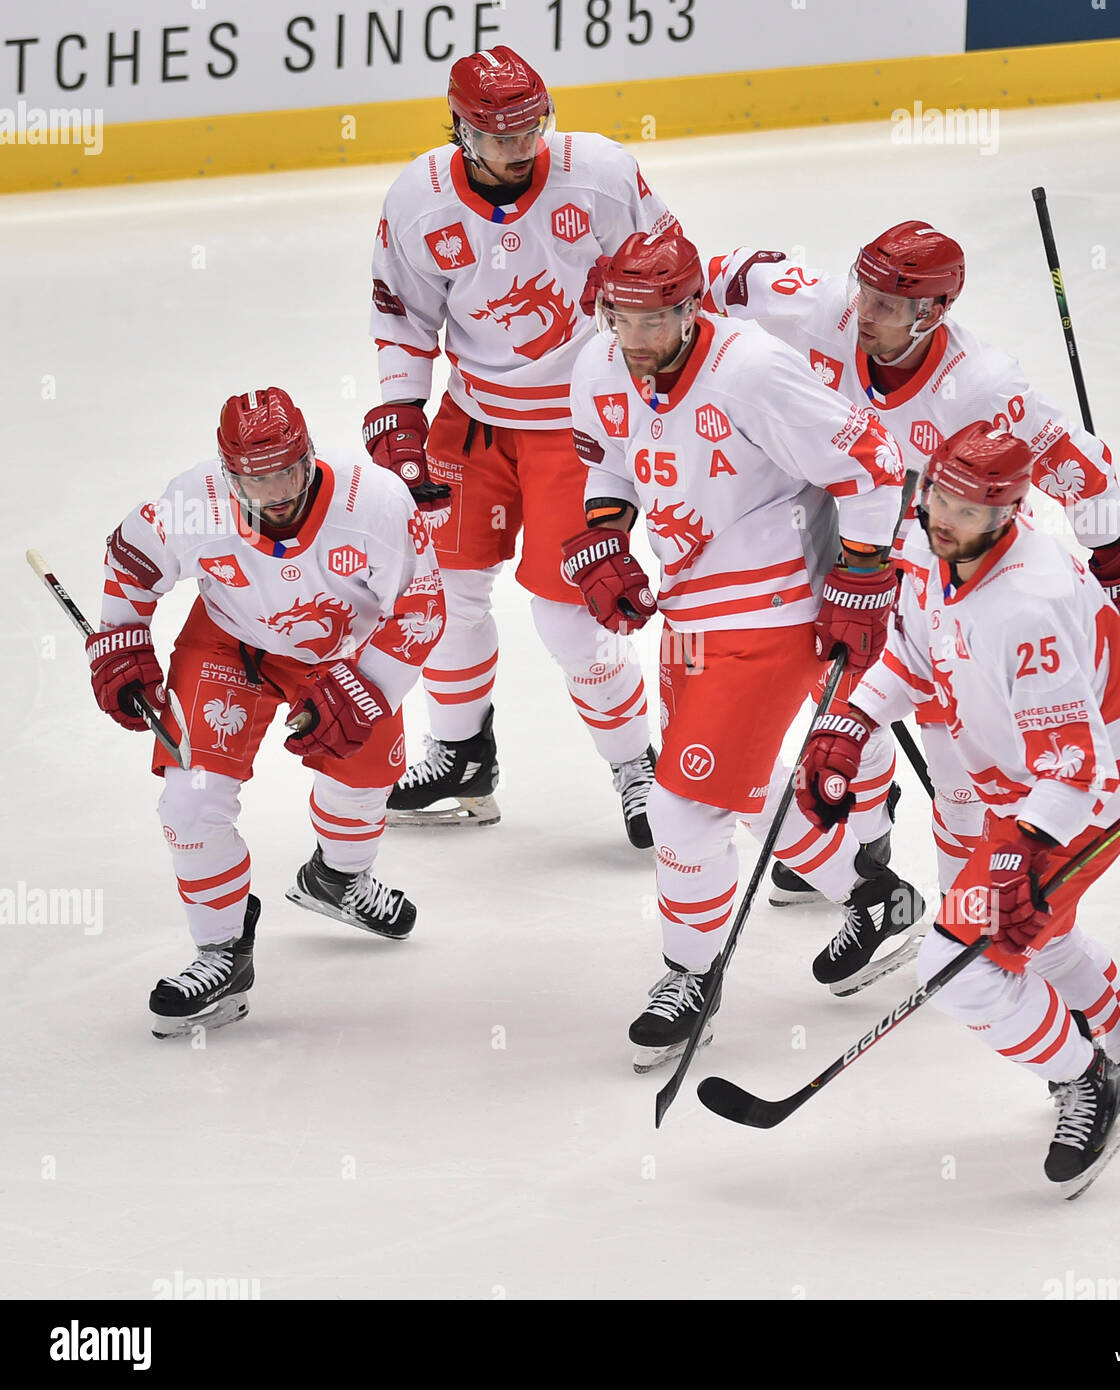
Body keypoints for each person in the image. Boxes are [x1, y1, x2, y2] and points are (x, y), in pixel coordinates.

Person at [703, 222, 1120, 906]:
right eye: (864, 292)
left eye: (887, 305)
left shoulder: (979, 385)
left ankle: (962, 902)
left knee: (949, 740)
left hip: (946, 533)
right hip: (845, 503)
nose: (864, 312)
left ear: (933, 313)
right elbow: (730, 274)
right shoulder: (828, 308)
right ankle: (867, 833)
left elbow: (1079, 466)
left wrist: (1117, 555)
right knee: (831, 665)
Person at [563, 229, 926, 1072]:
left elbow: (873, 463)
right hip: (692, 605)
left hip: (775, 602)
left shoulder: (752, 370)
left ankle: (690, 978)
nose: (641, 337)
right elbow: (612, 468)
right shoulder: (596, 367)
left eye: (661, 318)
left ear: (694, 308)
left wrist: (864, 573)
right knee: (746, 790)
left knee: (683, 809)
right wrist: (606, 538)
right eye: (626, 317)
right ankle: (878, 901)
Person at [797, 422, 1120, 1197]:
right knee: (1037, 942)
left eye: (967, 510)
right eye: (938, 495)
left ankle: (1088, 1080)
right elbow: (912, 653)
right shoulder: (937, 550)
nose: (944, 516)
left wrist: (1018, 854)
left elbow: (1074, 766)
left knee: (959, 969)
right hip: (1037, 790)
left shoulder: (1026, 608)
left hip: (1091, 800)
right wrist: (853, 720)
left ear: (1008, 514)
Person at [365, 45, 680, 844]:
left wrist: (663, 399)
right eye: (498, 131)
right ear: (461, 130)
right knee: (444, 594)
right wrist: (401, 412)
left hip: (580, 431)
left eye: (530, 124)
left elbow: (678, 277)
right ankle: (463, 752)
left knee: (570, 615)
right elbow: (403, 315)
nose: (520, 144)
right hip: (472, 422)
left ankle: (636, 765)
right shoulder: (420, 198)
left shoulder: (601, 175)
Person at [87, 387, 444, 1038]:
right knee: (189, 804)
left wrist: (366, 687)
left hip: (342, 659)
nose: (275, 491)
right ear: (228, 473)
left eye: (286, 470)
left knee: (367, 781)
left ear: (308, 456)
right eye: (256, 477)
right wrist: (121, 640)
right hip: (229, 645)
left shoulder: (377, 503)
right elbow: (131, 558)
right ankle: (221, 951)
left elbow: (423, 607)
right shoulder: (194, 502)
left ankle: (339, 879)